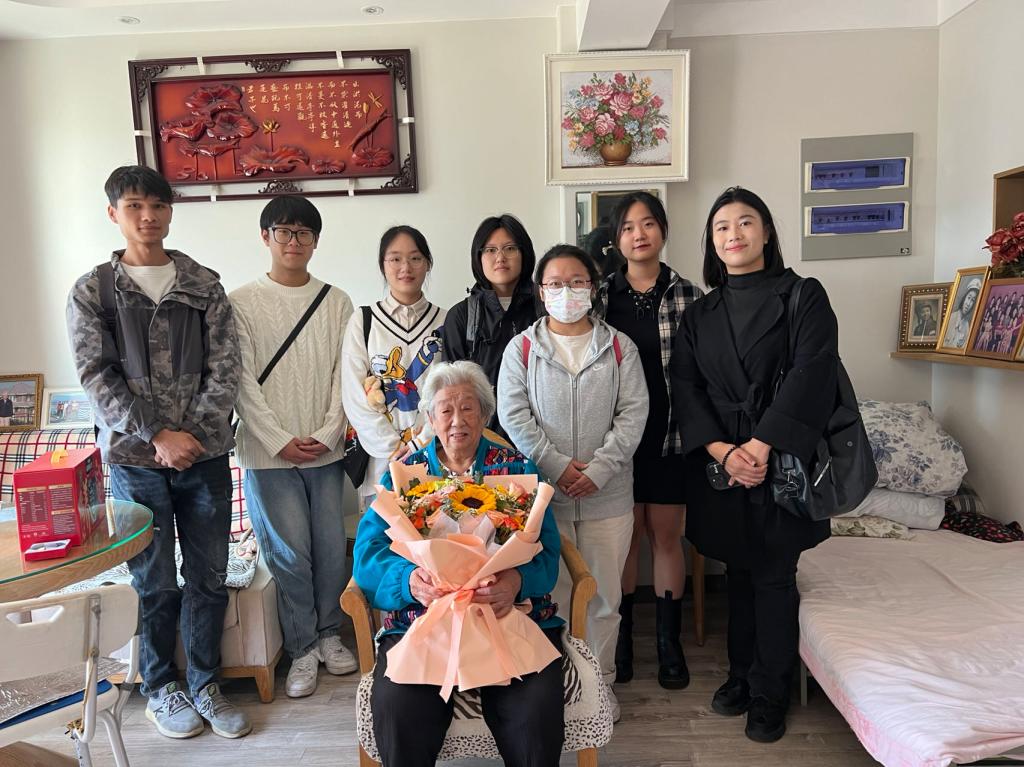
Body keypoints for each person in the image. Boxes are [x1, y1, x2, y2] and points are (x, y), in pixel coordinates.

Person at [66, 165, 250, 739]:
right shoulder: (94, 290)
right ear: (113, 213)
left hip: (205, 456)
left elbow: (226, 368)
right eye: (135, 206)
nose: (148, 216)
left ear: (171, 211)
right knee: (153, 581)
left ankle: (206, 683)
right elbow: (95, 376)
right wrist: (156, 436)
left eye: (158, 205)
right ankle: (160, 688)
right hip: (135, 463)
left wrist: (190, 434)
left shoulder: (203, 285)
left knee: (208, 576)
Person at [670, 186, 837, 744]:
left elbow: (815, 372)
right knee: (736, 570)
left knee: (774, 574)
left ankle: (771, 691)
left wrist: (762, 446)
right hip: (722, 461)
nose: (734, 234)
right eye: (721, 227)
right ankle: (741, 673)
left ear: (766, 232)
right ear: (711, 242)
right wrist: (723, 451)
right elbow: (686, 387)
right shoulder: (700, 312)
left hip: (780, 459)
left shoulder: (803, 295)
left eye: (745, 222)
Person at [353, 361, 564, 767]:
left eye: (468, 408)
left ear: (484, 414)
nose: (457, 420)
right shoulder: (405, 476)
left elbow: (548, 552)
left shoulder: (518, 469)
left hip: (506, 618)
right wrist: (409, 581)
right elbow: (367, 556)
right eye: (445, 410)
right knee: (400, 706)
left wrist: (516, 581)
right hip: (424, 621)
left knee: (535, 707)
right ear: (430, 418)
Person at [498, 244, 649, 721]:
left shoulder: (620, 347)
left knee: (605, 598)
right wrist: (558, 467)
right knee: (554, 596)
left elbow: (634, 413)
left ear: (594, 288)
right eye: (556, 283)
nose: (567, 292)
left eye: (577, 282)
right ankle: (561, 686)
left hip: (610, 496)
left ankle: (599, 685)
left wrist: (599, 470)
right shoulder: (522, 348)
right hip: (547, 499)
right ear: (541, 291)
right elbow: (514, 416)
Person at [229, 194, 357, 699]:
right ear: (266, 237)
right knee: (289, 554)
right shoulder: (240, 302)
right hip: (267, 455)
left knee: (330, 550)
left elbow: (345, 377)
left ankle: (329, 636)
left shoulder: (337, 302)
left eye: (304, 233)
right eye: (284, 231)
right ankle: (302, 648)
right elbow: (240, 381)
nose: (294, 241)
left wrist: (328, 433)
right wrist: (278, 440)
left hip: (325, 451)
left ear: (316, 241)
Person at [595, 191, 703, 689]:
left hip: (670, 433)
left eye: (648, 224)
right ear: (615, 239)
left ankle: (667, 645)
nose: (638, 234)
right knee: (624, 541)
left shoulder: (689, 296)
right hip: (615, 438)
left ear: (662, 230)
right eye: (628, 227)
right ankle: (620, 643)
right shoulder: (598, 297)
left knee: (665, 536)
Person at [341, 225, 446, 509]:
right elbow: (353, 395)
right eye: (395, 259)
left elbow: (452, 395)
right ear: (382, 265)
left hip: (437, 457)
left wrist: (419, 445)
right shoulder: (364, 321)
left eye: (415, 258)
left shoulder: (447, 321)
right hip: (381, 463)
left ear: (428, 263)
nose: (405, 267)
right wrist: (394, 449)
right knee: (382, 532)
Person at [440, 214, 540, 438]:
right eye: (491, 250)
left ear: (524, 253)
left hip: (539, 438)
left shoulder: (544, 309)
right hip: (481, 441)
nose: (500, 257)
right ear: (479, 257)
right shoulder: (461, 316)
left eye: (510, 248)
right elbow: (450, 390)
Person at [943, 278, 981, 348]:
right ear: (964, 298)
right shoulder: (950, 318)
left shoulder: (967, 327)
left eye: (972, 300)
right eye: (968, 298)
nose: (968, 304)